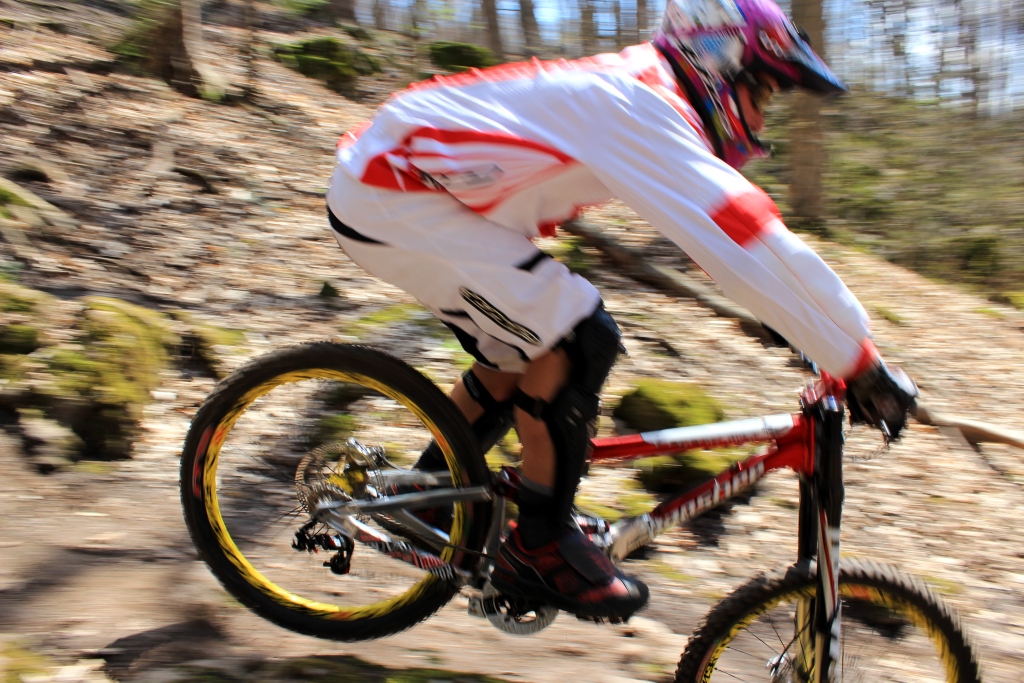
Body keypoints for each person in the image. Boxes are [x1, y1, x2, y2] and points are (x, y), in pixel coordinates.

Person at [324, 0, 918, 621]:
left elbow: (726, 241)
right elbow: (743, 232)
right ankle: (540, 543)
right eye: (763, 91)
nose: (763, 116)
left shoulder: (643, 91)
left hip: (410, 190)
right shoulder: (643, 101)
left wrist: (809, 327)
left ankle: (428, 498)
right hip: (392, 193)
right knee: (579, 335)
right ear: (720, 64)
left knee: (526, 345)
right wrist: (859, 358)